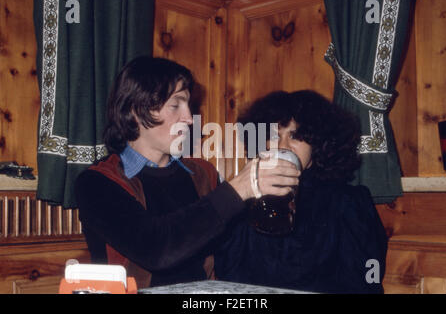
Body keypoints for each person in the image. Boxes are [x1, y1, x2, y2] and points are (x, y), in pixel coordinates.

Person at [74, 57, 300, 288]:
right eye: (175, 105)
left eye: (188, 105)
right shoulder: (96, 182)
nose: (189, 119)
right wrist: (238, 188)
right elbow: (156, 249)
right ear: (135, 110)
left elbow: (238, 251)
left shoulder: (203, 173)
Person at [213, 90, 388, 294]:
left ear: (317, 144)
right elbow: (228, 275)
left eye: (295, 136)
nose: (282, 146)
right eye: (273, 136)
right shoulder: (243, 200)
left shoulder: (347, 202)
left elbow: (365, 282)